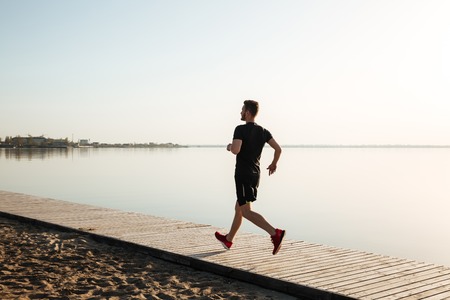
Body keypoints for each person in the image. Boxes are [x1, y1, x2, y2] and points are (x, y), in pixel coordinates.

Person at [215, 100, 285, 255]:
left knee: (245, 211)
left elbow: (235, 150)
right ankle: (229, 239)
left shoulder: (240, 129)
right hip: (255, 175)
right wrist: (273, 164)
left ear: (247, 112)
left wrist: (228, 147)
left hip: (243, 175)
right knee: (239, 207)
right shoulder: (263, 131)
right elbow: (278, 149)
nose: (240, 112)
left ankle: (275, 233)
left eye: (242, 110)